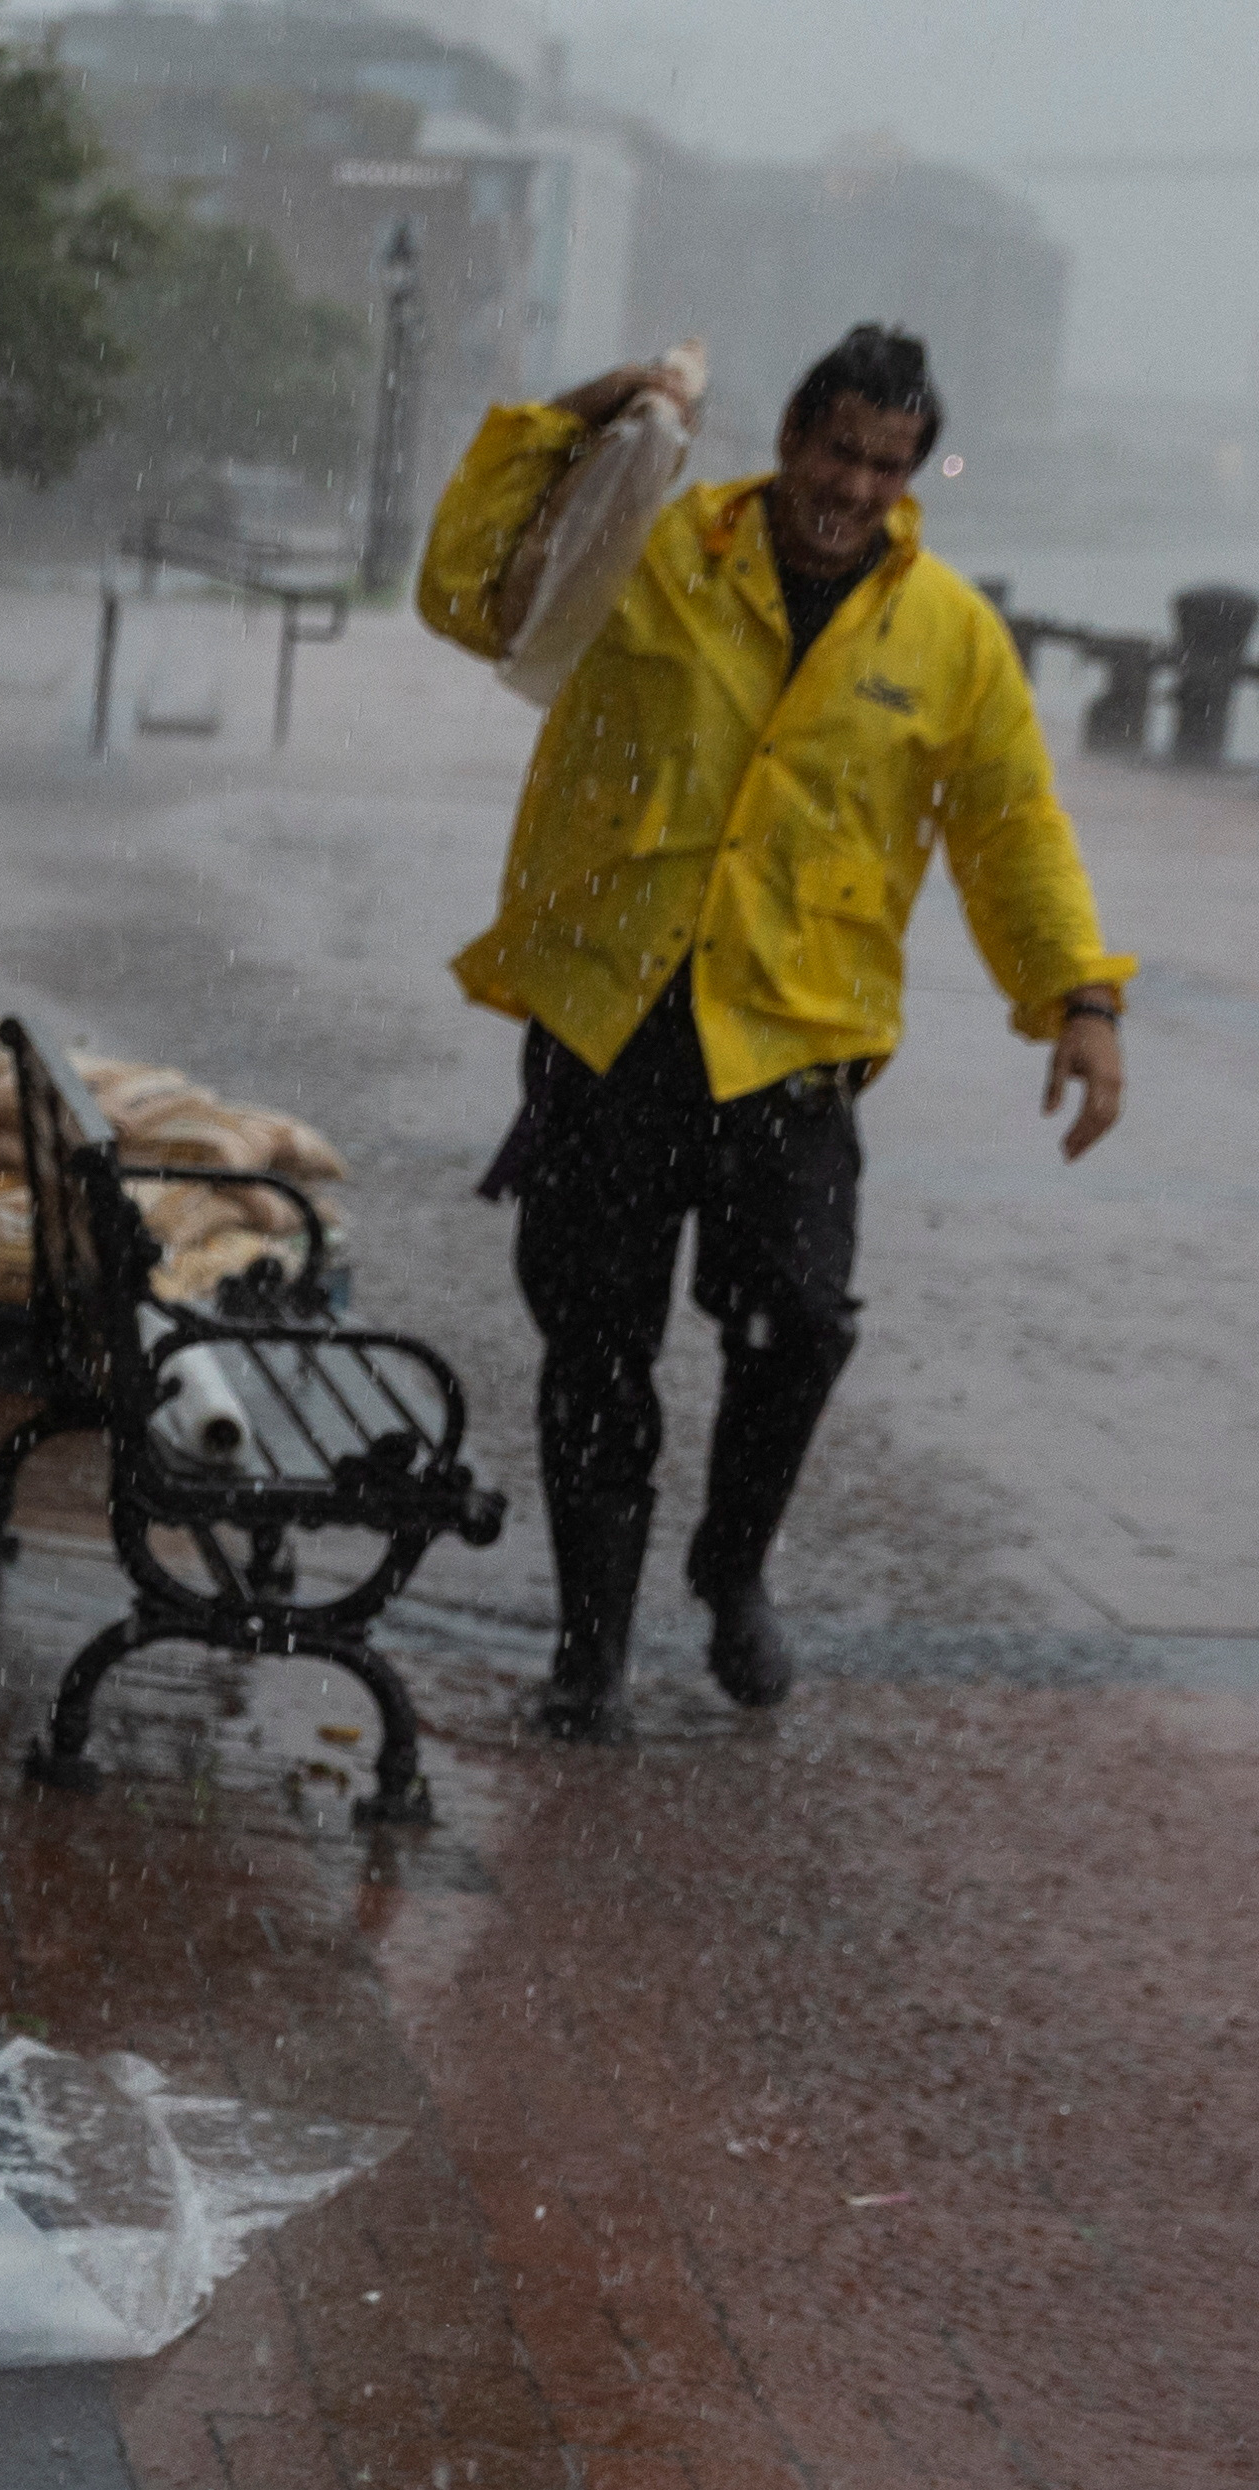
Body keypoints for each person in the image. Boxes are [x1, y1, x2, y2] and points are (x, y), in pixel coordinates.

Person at [416, 321, 1131, 1738]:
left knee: (797, 1324)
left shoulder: (946, 635)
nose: (852, 487)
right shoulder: (655, 548)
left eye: (886, 466)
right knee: (596, 1346)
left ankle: (730, 1566)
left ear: (912, 475)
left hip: (794, 1044)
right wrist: (587, 413)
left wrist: (1081, 1001)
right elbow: (465, 591)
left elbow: (1011, 828)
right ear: (791, 434)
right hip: (614, 1019)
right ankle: (591, 1654)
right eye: (836, 451)